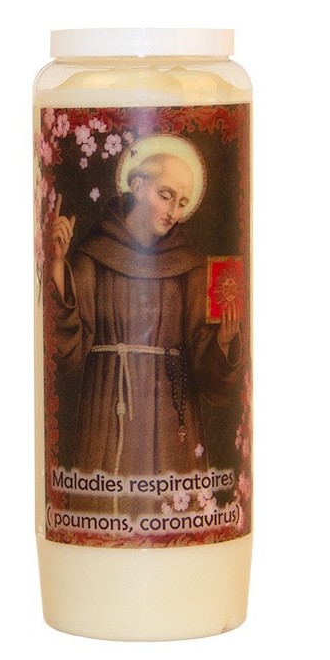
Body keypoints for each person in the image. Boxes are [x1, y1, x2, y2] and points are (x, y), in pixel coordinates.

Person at [47, 141, 241, 510]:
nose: (173, 212)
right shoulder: (94, 255)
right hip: (108, 404)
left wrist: (223, 342)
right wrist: (58, 266)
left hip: (170, 412)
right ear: (137, 186)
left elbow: (209, 371)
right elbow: (66, 351)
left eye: (182, 203)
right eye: (165, 195)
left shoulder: (189, 267)